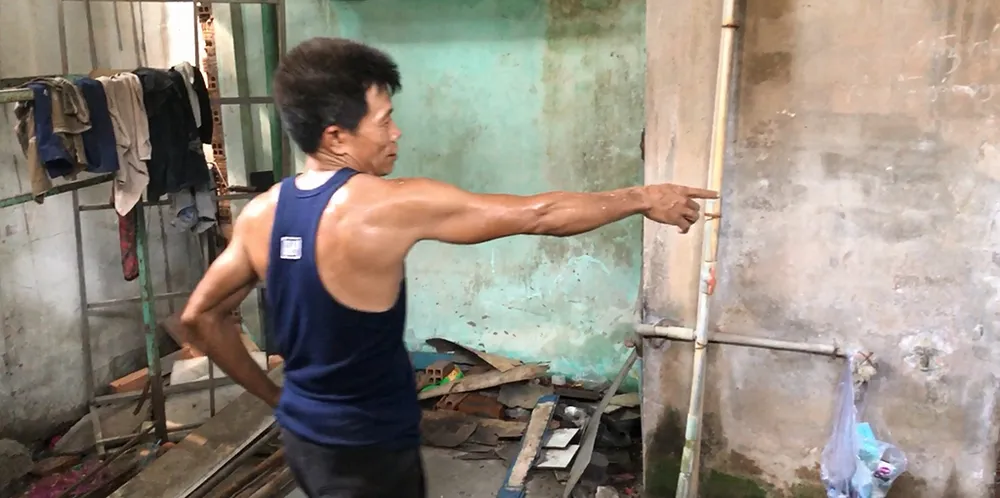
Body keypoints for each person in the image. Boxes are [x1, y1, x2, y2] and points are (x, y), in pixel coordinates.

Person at [179, 37, 718, 498]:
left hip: (305, 438)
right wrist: (641, 197)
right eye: (384, 121)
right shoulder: (386, 205)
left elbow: (200, 317)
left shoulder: (262, 214)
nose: (396, 133)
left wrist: (277, 399)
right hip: (371, 446)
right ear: (336, 136)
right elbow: (539, 215)